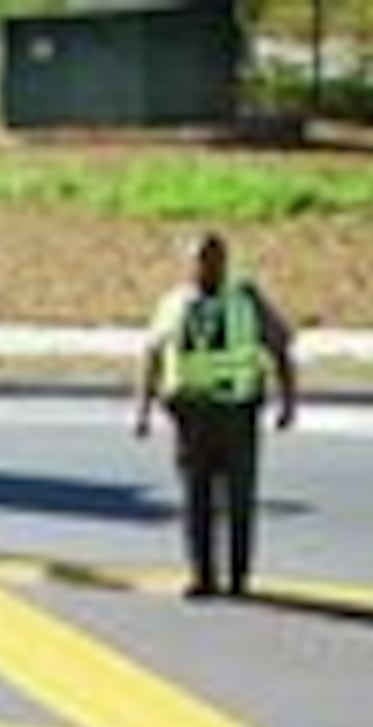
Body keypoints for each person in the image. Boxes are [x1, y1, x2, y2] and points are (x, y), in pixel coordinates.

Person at [131, 232, 301, 601]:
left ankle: (239, 578)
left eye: (213, 260)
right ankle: (202, 575)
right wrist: (143, 409)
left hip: (236, 414)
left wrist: (289, 402)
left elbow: (280, 346)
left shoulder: (246, 300)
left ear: (225, 262)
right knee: (196, 500)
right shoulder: (175, 304)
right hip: (191, 416)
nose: (205, 268)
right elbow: (153, 354)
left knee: (239, 498)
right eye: (198, 261)